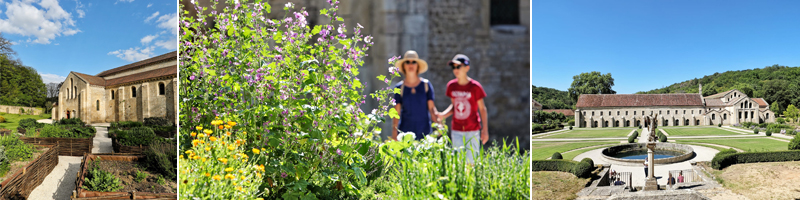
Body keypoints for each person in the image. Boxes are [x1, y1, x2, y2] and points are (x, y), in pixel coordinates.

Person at [438, 54, 488, 163]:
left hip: (473, 129)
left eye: (458, 66)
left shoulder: (475, 86)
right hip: (457, 129)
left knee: (471, 161)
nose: (455, 70)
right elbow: (454, 106)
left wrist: (485, 130)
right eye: (453, 67)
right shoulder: (451, 86)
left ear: (467, 68)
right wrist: (443, 115)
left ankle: (470, 180)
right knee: (458, 161)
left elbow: (482, 109)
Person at [391, 50, 439, 141]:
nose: (411, 65)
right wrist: (394, 134)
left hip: (424, 132)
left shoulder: (426, 85)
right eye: (407, 62)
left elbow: (432, 109)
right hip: (404, 133)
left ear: (417, 66)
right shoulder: (399, 87)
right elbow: (396, 113)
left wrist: (439, 125)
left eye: (414, 62)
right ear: (404, 66)